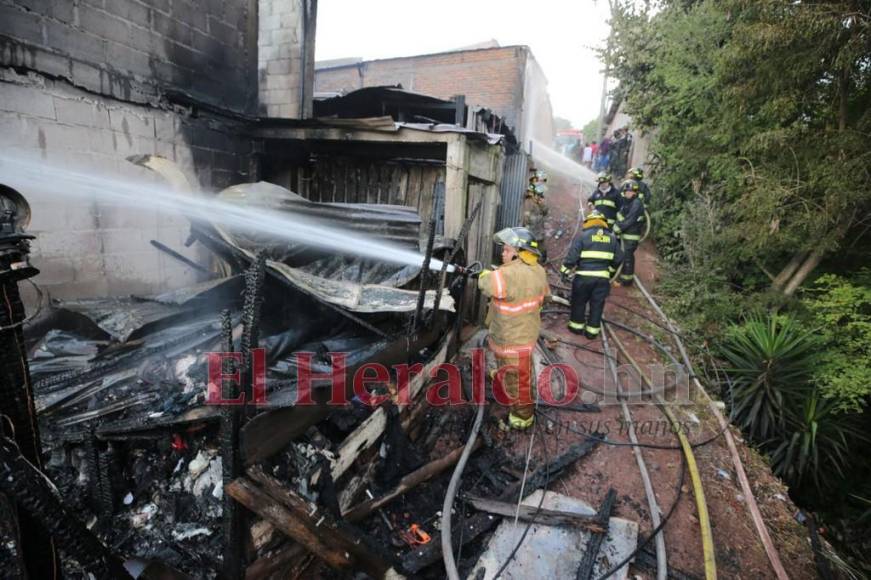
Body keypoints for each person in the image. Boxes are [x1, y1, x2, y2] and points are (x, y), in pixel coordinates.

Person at [478, 227, 549, 429]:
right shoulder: (539, 270)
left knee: (519, 380)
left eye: (507, 250)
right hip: (523, 333)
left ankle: (523, 416)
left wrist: (484, 274)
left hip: (512, 338)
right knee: (510, 368)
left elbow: (487, 285)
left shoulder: (505, 274)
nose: (503, 253)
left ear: (518, 252)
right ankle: (502, 376)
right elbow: (543, 296)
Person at [560, 211, 623, 340]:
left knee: (579, 302)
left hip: (583, 278)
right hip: (602, 280)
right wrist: (610, 271)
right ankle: (592, 332)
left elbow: (572, 257)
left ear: (589, 222)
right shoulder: (612, 238)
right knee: (597, 304)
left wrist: (564, 271)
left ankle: (576, 328)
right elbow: (619, 257)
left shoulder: (583, 236)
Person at [613, 181, 646, 286]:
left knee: (627, 256)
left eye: (630, 191)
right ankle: (621, 276)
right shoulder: (627, 202)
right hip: (625, 234)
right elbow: (621, 216)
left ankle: (626, 280)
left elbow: (630, 219)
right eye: (626, 191)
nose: (628, 193)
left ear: (635, 192)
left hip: (631, 235)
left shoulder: (636, 203)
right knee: (622, 255)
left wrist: (618, 227)